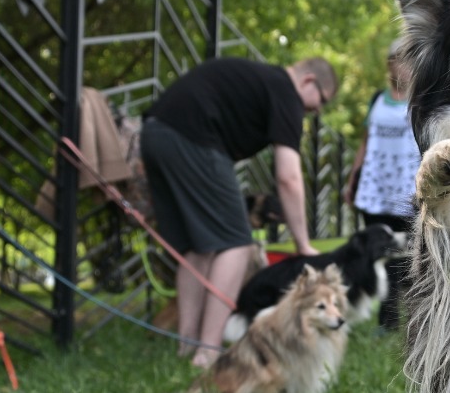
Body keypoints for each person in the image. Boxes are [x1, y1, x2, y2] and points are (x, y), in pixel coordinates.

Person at [141, 56, 338, 367]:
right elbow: (288, 178)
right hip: (193, 138)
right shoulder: (286, 92)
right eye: (321, 101)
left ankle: (187, 345)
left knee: (197, 248)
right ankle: (208, 351)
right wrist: (303, 244)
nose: (316, 111)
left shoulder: (261, 80)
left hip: (154, 134)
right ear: (308, 81)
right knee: (237, 244)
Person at [342, 39, 418, 330]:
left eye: (410, 59)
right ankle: (385, 319)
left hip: (407, 191)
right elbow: (366, 142)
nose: (405, 66)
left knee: (404, 257)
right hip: (375, 189)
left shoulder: (422, 100)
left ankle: (401, 318)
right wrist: (352, 180)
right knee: (376, 252)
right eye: (400, 59)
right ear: (390, 64)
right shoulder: (377, 100)